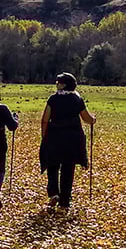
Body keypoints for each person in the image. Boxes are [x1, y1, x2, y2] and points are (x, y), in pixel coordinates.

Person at [39, 72, 96, 212]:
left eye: (59, 82)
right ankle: (65, 201)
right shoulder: (77, 99)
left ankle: (53, 193)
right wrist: (93, 119)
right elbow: (86, 118)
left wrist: (44, 136)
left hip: (54, 136)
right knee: (68, 168)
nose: (57, 84)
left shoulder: (53, 99)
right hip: (72, 138)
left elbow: (45, 119)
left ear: (65, 84)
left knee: (52, 165)